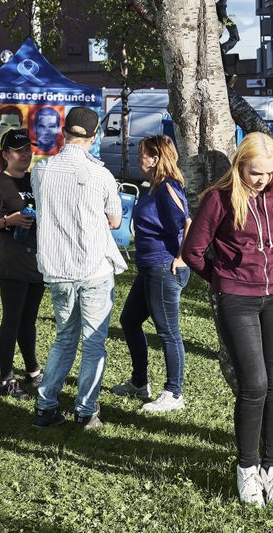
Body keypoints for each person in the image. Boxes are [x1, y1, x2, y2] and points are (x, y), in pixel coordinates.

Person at [182, 132, 273, 507]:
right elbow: (193, 251)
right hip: (238, 301)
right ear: (240, 167)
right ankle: (247, 470)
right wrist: (226, 281)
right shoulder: (218, 199)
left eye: (268, 173)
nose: (261, 180)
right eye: (255, 172)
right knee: (254, 385)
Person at [31, 107, 127, 430]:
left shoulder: (41, 170)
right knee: (93, 341)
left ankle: (46, 406)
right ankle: (85, 411)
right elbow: (115, 220)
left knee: (64, 337)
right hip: (93, 267)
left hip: (58, 268)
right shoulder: (101, 175)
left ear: (64, 133)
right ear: (95, 136)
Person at [111, 135, 192, 412]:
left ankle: (174, 393)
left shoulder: (168, 187)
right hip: (148, 267)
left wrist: (181, 258)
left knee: (168, 332)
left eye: (142, 153)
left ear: (156, 158)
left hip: (163, 268)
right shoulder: (153, 186)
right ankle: (139, 383)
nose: (138, 157)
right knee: (129, 320)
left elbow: (188, 223)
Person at [0, 129, 44, 400]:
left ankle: (33, 371)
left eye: (28, 149)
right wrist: (9, 221)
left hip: (37, 258)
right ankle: (6, 378)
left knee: (29, 320)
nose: (26, 154)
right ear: (5, 155)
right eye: (19, 150)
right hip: (13, 258)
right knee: (12, 320)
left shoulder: (34, 180)